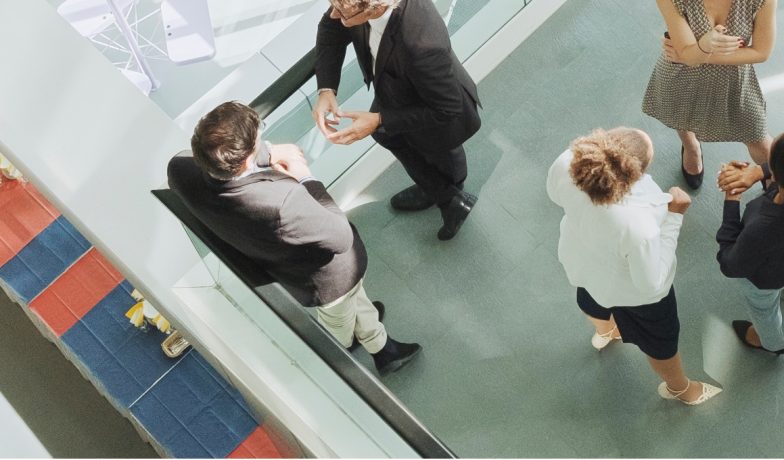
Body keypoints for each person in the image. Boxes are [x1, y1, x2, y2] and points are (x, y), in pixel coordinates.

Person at [167, 101, 422, 375]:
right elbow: (340, 236)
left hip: (292, 271)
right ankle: (359, 348)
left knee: (353, 304)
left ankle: (372, 334)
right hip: (329, 279)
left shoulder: (180, 170)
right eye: (259, 138)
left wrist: (268, 152)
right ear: (245, 160)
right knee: (338, 319)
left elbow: (224, 167)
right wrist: (306, 178)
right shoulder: (280, 203)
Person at [547, 127, 721, 405]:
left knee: (590, 299)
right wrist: (675, 216)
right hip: (632, 293)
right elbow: (651, 284)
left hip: (582, 262)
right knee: (661, 342)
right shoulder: (637, 223)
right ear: (636, 173)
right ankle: (679, 388)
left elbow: (556, 197)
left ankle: (606, 332)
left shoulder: (567, 163)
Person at [313, 0, 482, 240]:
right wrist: (326, 89)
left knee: (440, 154)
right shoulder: (354, 6)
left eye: (342, 12)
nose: (334, 15)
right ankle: (441, 193)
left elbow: (447, 107)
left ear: (373, 9)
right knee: (385, 133)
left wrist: (379, 118)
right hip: (397, 90)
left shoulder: (422, 44)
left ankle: (451, 196)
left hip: (433, 111)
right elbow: (330, 28)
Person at [642, 0, 776, 189]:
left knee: (758, 136)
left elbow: (761, 52)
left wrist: (696, 53)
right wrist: (697, 50)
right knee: (682, 117)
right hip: (681, 78)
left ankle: (774, 180)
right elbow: (688, 55)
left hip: (734, 81)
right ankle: (691, 147)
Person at [717, 133, 784, 354]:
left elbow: (730, 264)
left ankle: (773, 342)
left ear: (774, 174)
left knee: (764, 310)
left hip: (767, 279)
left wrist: (732, 200)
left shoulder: (764, 228)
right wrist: (758, 172)